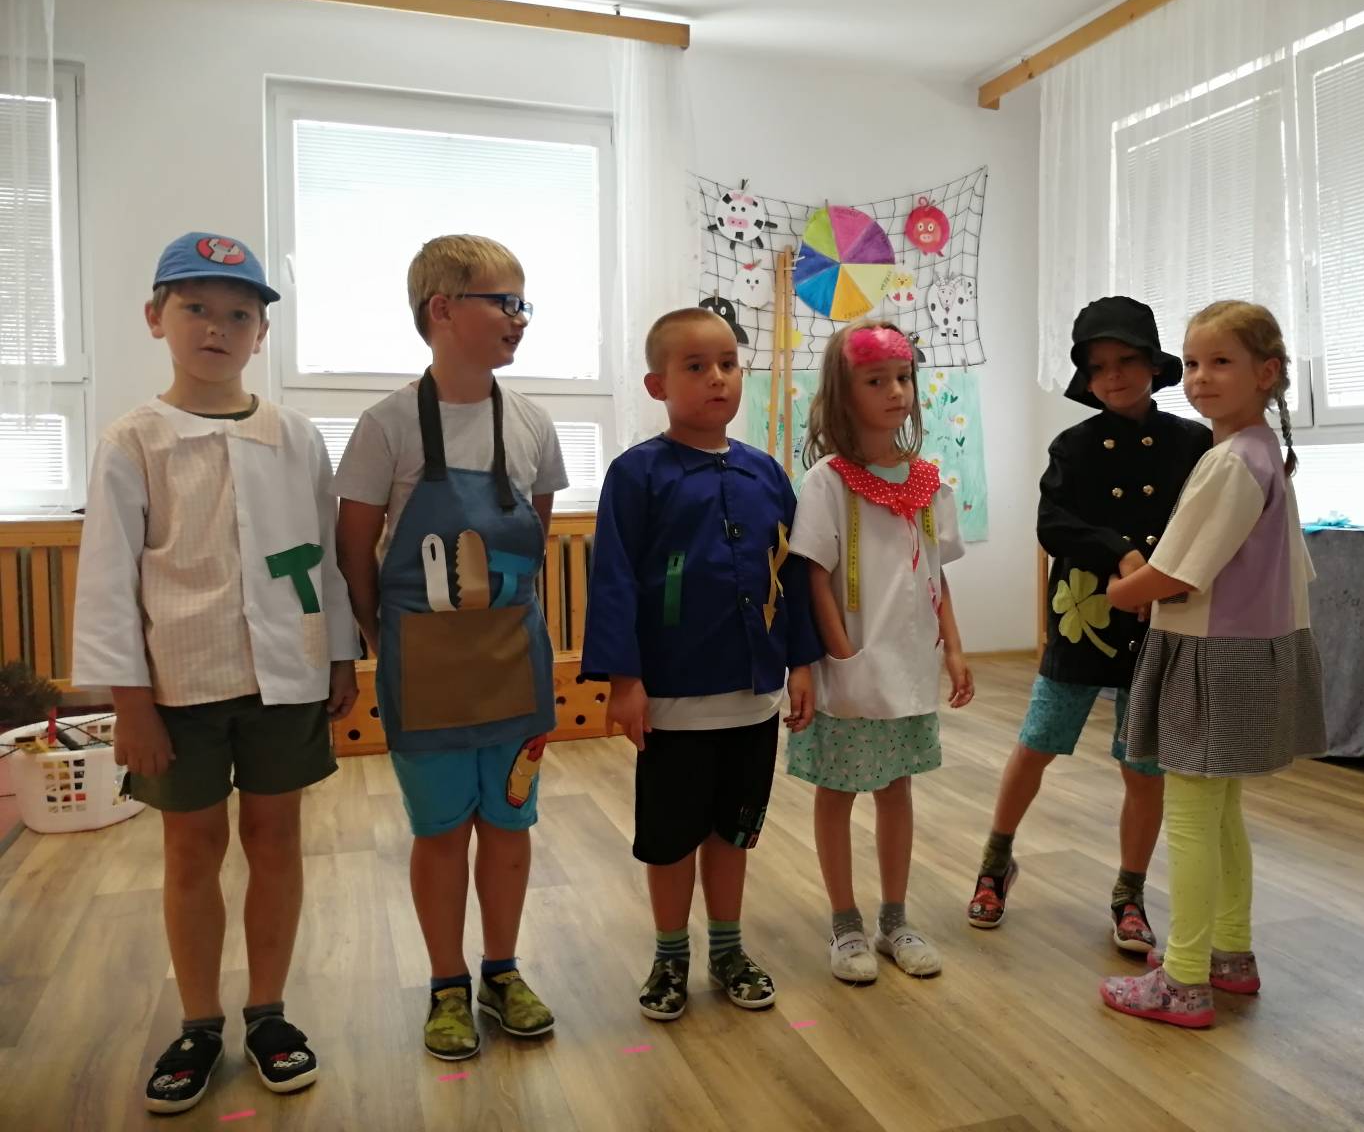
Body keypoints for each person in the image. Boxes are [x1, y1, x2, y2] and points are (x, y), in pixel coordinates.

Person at [74, 232, 359, 1113]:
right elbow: (107, 582)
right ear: (155, 317)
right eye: (195, 308)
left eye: (238, 315)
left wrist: (340, 653)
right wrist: (131, 706)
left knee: (276, 840)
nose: (216, 328)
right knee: (191, 848)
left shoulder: (294, 437)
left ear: (260, 334)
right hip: (179, 692)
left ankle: (268, 1012)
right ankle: (199, 1023)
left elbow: (323, 557)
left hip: (285, 681)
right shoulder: (134, 441)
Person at [334, 234, 566, 1059]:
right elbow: (354, 553)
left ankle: (502, 971)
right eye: (505, 302)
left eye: (523, 303)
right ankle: (446, 984)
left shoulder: (532, 423)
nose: (520, 318)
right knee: (440, 832)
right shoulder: (387, 426)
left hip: (514, 665)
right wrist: (379, 640)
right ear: (441, 309)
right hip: (421, 669)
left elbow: (534, 540)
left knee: (509, 823)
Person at [583, 306, 819, 1021]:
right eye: (695, 366)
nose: (717, 378)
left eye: (727, 364)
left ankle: (727, 949)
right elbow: (614, 579)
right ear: (657, 385)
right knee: (670, 840)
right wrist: (625, 680)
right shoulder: (637, 474)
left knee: (733, 831)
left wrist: (801, 664)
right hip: (674, 702)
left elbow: (791, 573)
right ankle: (669, 956)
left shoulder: (766, 472)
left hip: (754, 698)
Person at [1099, 300, 1326, 1028]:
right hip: (1247, 652)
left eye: (1220, 361)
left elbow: (1177, 570)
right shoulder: (1260, 454)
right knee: (1222, 813)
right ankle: (1230, 954)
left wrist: (1120, 591)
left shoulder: (1231, 463)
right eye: (1193, 363)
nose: (1200, 377)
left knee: (1194, 819)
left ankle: (1185, 978)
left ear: (1267, 373)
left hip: (1211, 659)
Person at [967, 297, 1210, 953]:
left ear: (1153, 365)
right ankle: (995, 863)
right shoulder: (1072, 446)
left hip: (1162, 623)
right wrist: (1121, 553)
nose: (1113, 376)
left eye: (1126, 360)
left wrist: (1160, 578)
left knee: (1143, 764)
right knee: (1038, 741)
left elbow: (1203, 524)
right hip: (1084, 618)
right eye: (1098, 366)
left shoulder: (1193, 443)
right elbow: (1053, 523)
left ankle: (1130, 893)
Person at [786, 320, 973, 985]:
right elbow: (812, 575)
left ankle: (895, 920)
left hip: (910, 669)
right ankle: (846, 923)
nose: (896, 391)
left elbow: (935, 572)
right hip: (851, 672)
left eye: (903, 378)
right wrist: (843, 657)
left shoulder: (926, 482)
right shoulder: (828, 483)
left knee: (897, 788)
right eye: (876, 381)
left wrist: (954, 648)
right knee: (838, 791)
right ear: (843, 393)